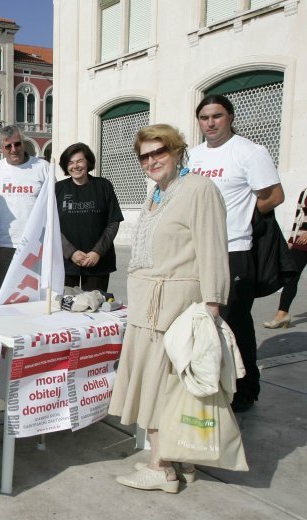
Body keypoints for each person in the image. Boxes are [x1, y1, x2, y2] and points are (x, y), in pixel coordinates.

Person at [109, 124, 229, 493]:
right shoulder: (157, 195)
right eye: (144, 155)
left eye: (159, 152)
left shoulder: (199, 190)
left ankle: (160, 466)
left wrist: (212, 305)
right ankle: (184, 459)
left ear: (177, 151)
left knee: (164, 384)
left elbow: (213, 249)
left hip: (174, 305)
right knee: (167, 385)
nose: (151, 160)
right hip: (148, 307)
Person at [189, 94, 285, 412]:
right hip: (198, 250)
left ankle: (245, 389)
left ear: (229, 117)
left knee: (234, 323)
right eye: (204, 118)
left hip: (234, 249)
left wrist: (245, 216)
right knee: (203, 322)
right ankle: (212, 383)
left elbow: (274, 195)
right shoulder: (194, 156)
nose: (210, 123)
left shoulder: (249, 151)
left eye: (217, 116)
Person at [0, 125, 52, 296]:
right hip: (5, 246)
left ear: (23, 143)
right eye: (8, 146)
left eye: (17, 144)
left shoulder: (43, 167)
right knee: (5, 296)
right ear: (1, 149)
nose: (14, 149)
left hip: (36, 245)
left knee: (34, 296)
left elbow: (54, 207)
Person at [55, 142, 123, 292]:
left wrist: (97, 252)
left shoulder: (104, 186)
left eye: (80, 161)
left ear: (88, 162)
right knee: (64, 308)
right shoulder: (57, 189)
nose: (75, 166)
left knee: (93, 308)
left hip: (98, 262)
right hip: (65, 262)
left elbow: (113, 222)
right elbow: (50, 224)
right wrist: (70, 252)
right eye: (70, 162)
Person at [265, 188, 307, 329]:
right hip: (300, 243)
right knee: (291, 277)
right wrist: (292, 238)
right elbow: (299, 215)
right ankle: (282, 315)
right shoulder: (305, 191)